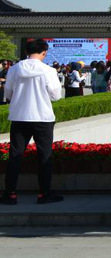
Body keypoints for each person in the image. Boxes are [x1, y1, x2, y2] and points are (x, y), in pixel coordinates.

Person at [0, 39, 64, 205]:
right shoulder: (48, 70)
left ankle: (10, 193)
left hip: (19, 116)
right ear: (44, 52)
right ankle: (44, 193)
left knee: (15, 155)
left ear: (26, 52)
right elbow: (56, 95)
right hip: (42, 117)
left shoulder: (14, 69)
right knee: (44, 155)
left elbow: (8, 93)